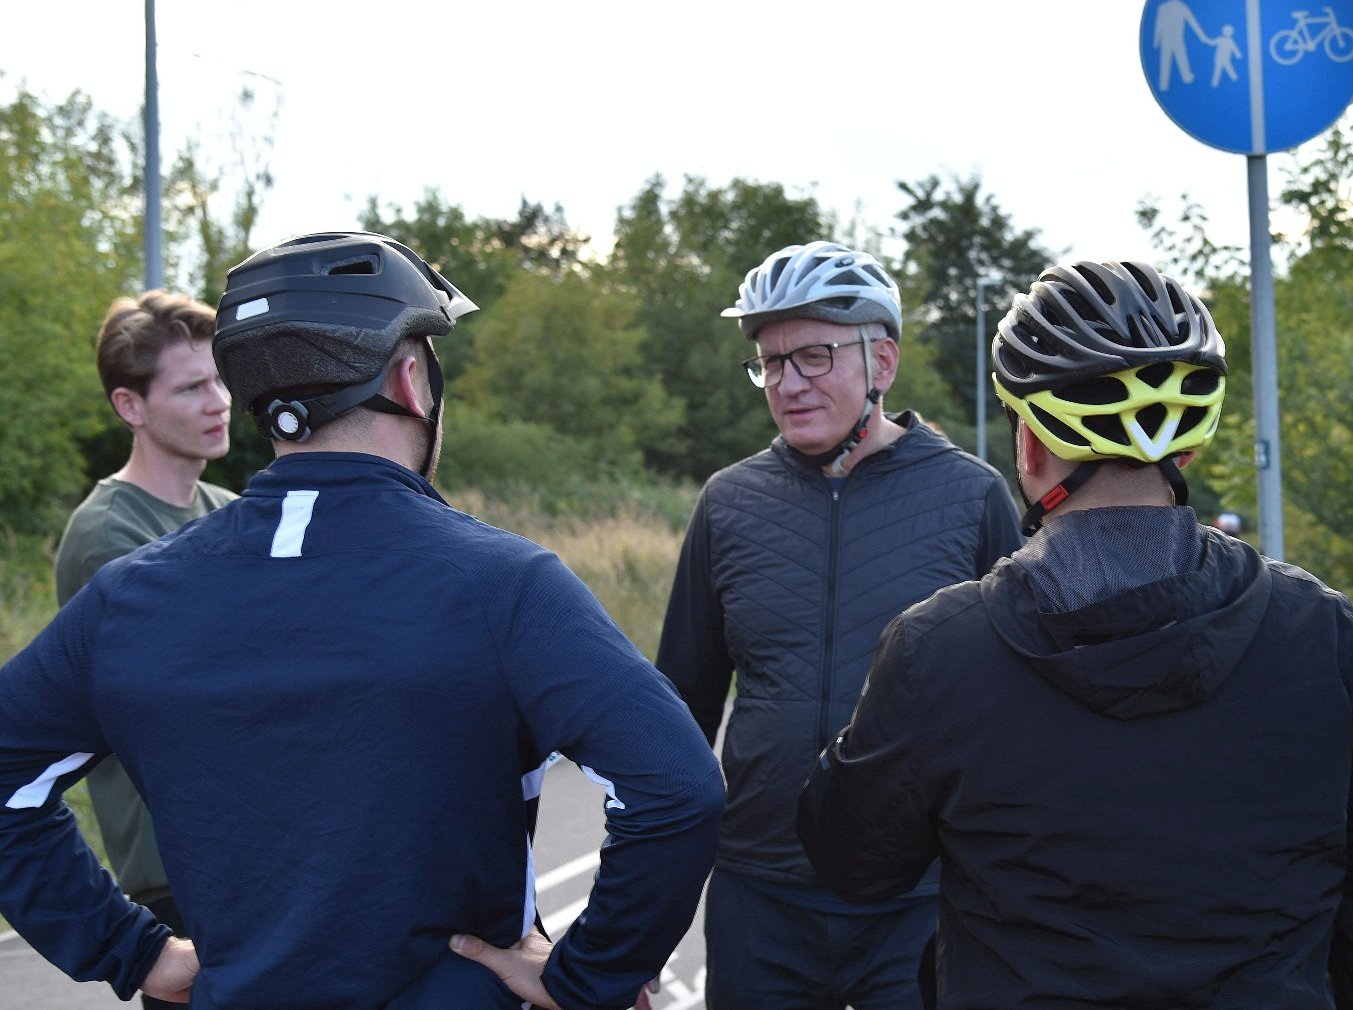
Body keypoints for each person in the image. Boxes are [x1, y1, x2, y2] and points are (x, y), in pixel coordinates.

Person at [0, 231, 724, 1010]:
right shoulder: (504, 583)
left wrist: (131, 949)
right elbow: (676, 789)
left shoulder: (126, 596)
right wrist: (590, 974)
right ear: (412, 380)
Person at [797, 259, 1353, 1009]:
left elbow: (851, 861)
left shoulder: (940, 648)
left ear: (1031, 451)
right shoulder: (1317, 628)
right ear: (1188, 450)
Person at [656, 240, 1023, 1010]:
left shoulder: (972, 497)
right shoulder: (729, 503)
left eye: (814, 356)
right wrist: (642, 917)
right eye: (770, 362)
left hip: (916, 898)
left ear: (882, 363)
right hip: (759, 893)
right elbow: (678, 713)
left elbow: (1019, 711)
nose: (788, 384)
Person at [50, 290, 234, 1010]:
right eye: (192, 387)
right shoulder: (109, 535)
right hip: (175, 864)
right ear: (131, 407)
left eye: (218, 379)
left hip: (248, 847)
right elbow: (203, 689)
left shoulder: (224, 507)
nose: (219, 400)